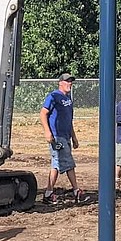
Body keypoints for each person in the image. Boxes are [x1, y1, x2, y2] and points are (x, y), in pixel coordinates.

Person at [40, 72, 86, 204]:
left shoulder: (68, 100)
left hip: (65, 136)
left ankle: (48, 193)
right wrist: (47, 132)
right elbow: (43, 113)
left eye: (71, 81)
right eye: (67, 81)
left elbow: (69, 120)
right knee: (68, 162)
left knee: (56, 164)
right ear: (60, 83)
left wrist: (74, 137)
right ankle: (76, 191)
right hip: (56, 136)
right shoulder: (54, 96)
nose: (69, 84)